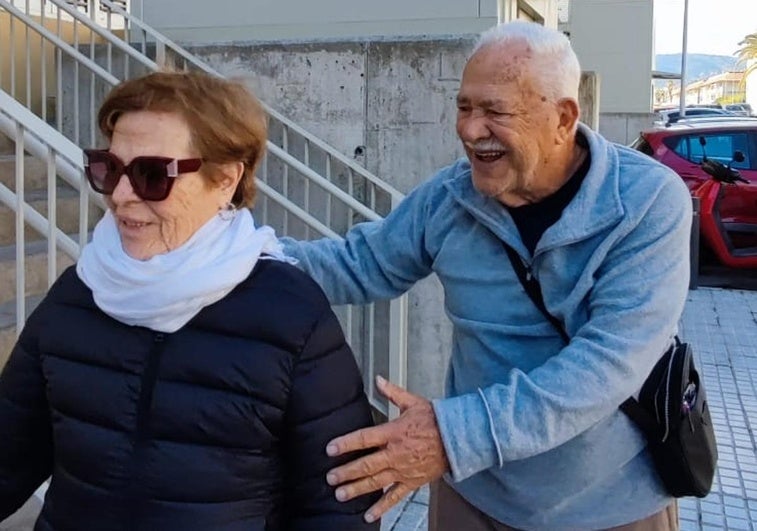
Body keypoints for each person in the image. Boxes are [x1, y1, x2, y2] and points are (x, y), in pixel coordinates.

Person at [282, 21, 691, 531]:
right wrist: (235, 255)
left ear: (563, 118)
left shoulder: (647, 201)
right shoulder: (450, 198)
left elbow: (609, 362)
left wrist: (451, 437)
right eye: (464, 106)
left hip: (608, 504)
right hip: (474, 499)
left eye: (495, 111)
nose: (470, 130)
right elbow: (359, 265)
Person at [0, 71, 379, 530]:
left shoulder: (291, 315)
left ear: (225, 180)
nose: (120, 196)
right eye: (110, 168)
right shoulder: (78, 294)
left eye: (151, 174)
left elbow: (337, 508)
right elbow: (10, 454)